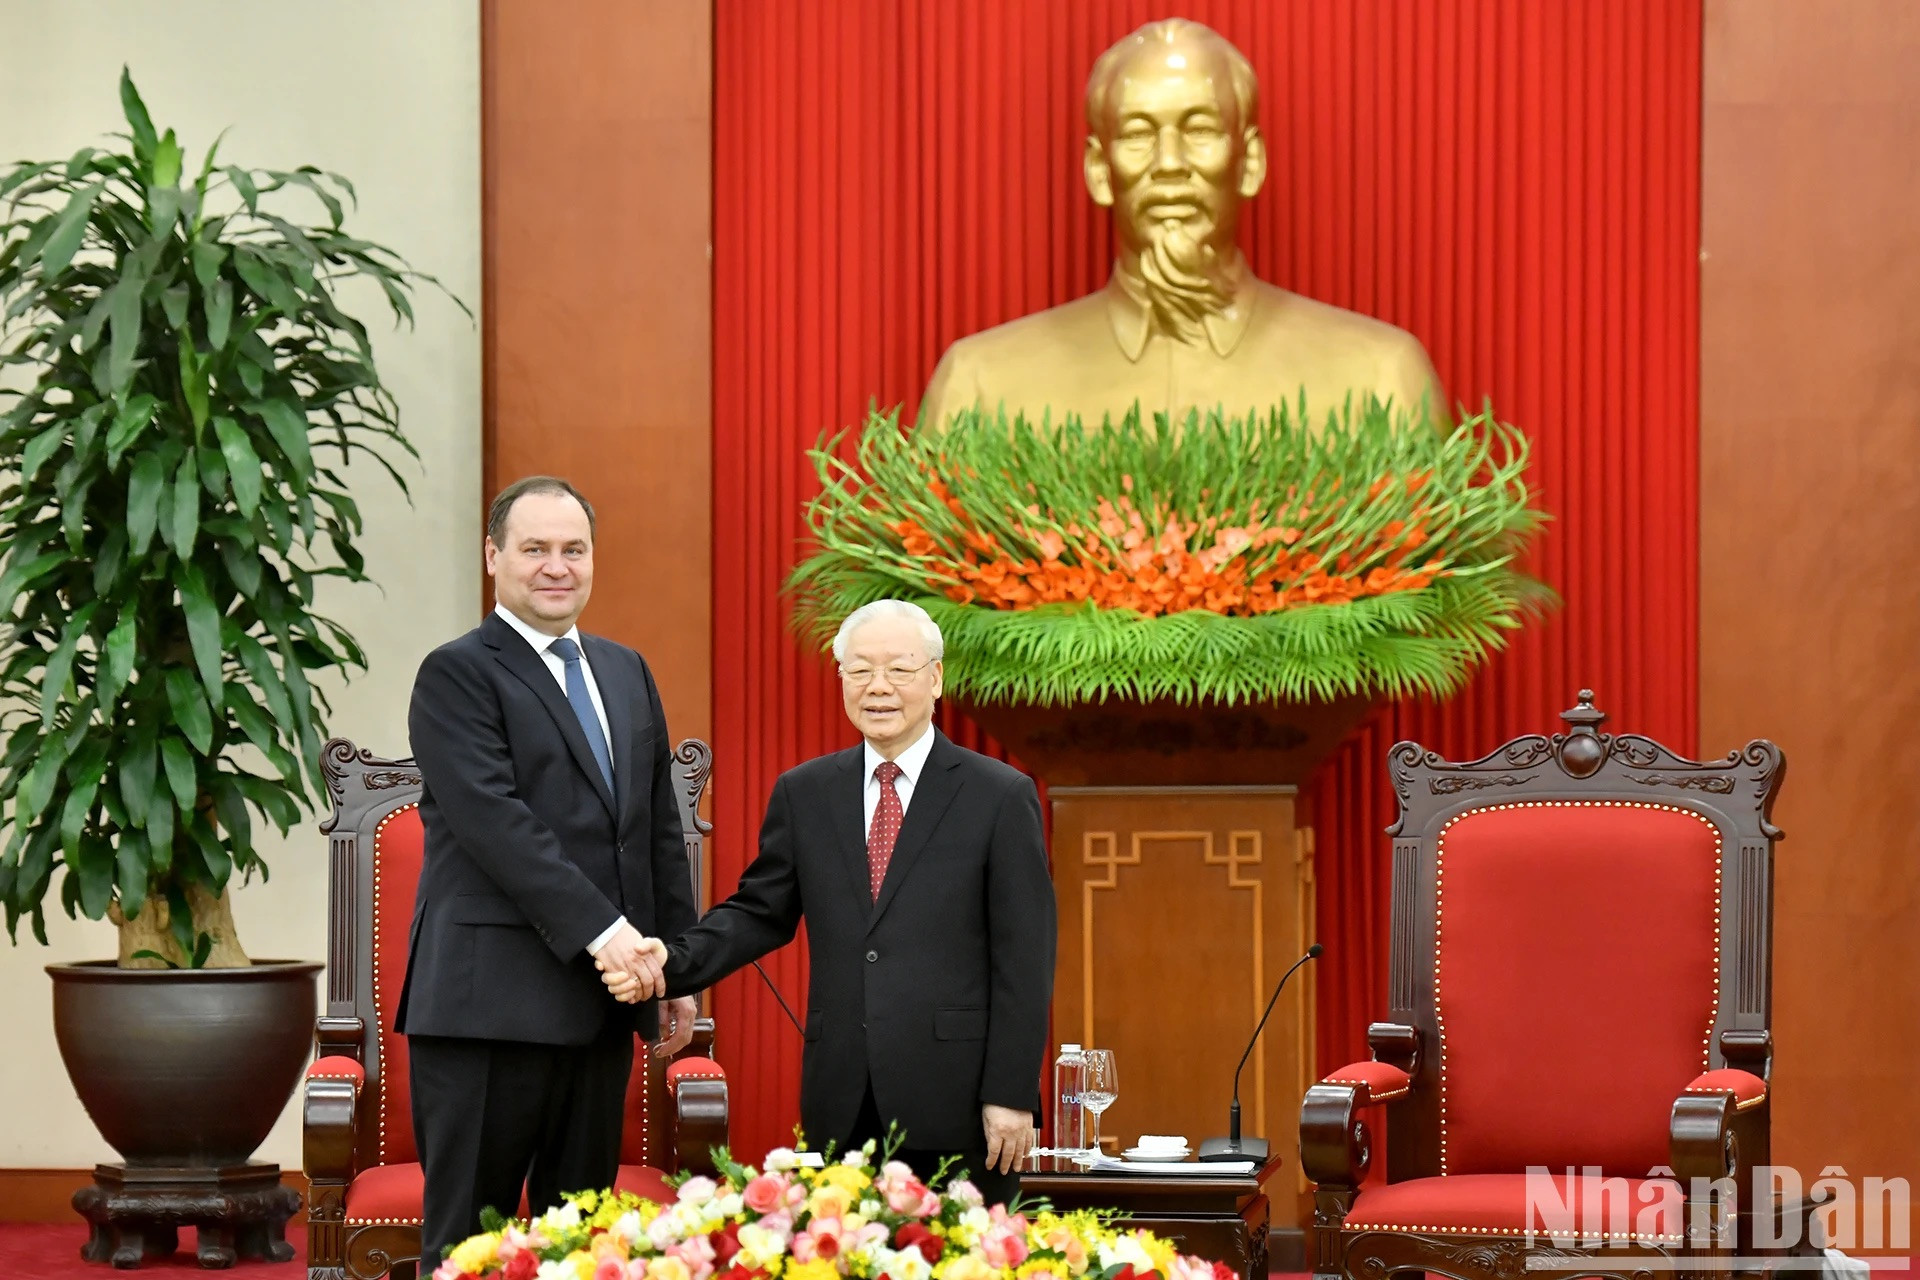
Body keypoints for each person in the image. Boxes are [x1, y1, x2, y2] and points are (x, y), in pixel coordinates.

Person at [601, 599, 1056, 1206]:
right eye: (860, 670)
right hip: (843, 1094)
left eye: (899, 669)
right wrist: (668, 963)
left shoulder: (999, 795)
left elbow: (1024, 959)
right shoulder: (806, 792)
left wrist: (1011, 1092)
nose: (879, 687)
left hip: (961, 1101)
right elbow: (758, 913)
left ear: (936, 677)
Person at [397, 476, 700, 1263]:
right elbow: (499, 826)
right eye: (535, 549)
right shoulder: (456, 673)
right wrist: (610, 937)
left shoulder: (626, 669)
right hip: (484, 1012)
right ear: (494, 556)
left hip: (599, 1010)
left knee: (581, 1249)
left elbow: (656, 831)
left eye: (573, 549)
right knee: (470, 1249)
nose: (556, 567)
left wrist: (680, 965)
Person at [918, 18, 1444, 434]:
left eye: (1200, 129)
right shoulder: (981, 386)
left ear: (1250, 161)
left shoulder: (1381, 380)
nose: (1169, 162)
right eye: (1138, 133)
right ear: (1100, 171)